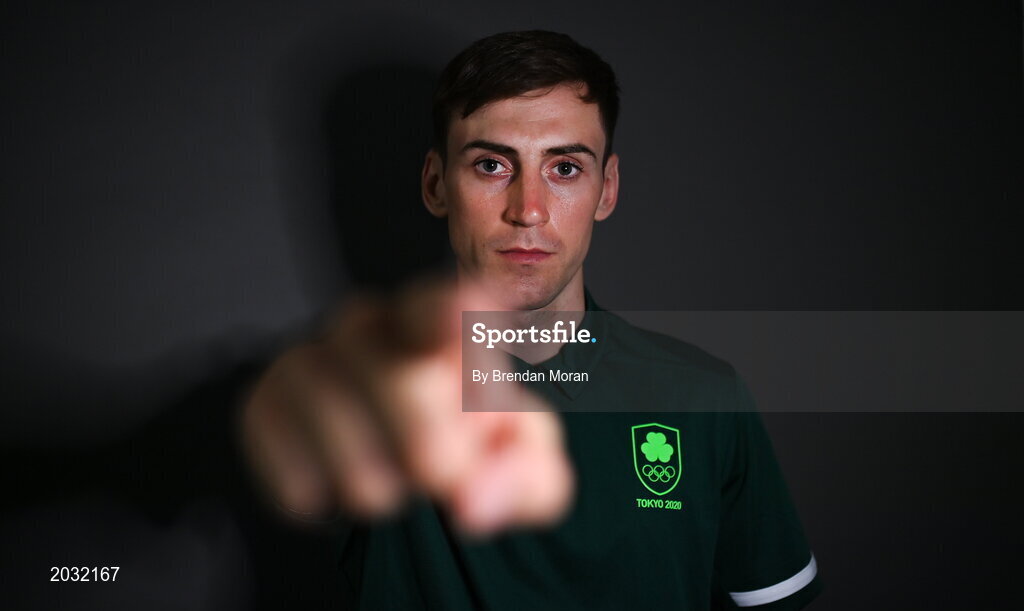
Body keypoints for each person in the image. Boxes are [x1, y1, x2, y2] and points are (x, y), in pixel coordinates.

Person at [242, 30, 822, 610]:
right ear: (436, 184)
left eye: (564, 168)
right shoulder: (377, 385)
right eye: (492, 165)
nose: (528, 211)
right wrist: (297, 415)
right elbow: (304, 444)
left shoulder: (703, 396)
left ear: (607, 189)